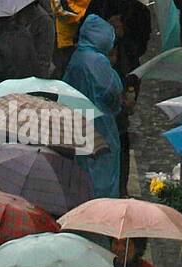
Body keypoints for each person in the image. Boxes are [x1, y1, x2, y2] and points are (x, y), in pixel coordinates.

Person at [64, 14, 123, 199]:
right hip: (101, 128)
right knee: (103, 177)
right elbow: (111, 93)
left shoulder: (77, 58)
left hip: (78, 128)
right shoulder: (98, 61)